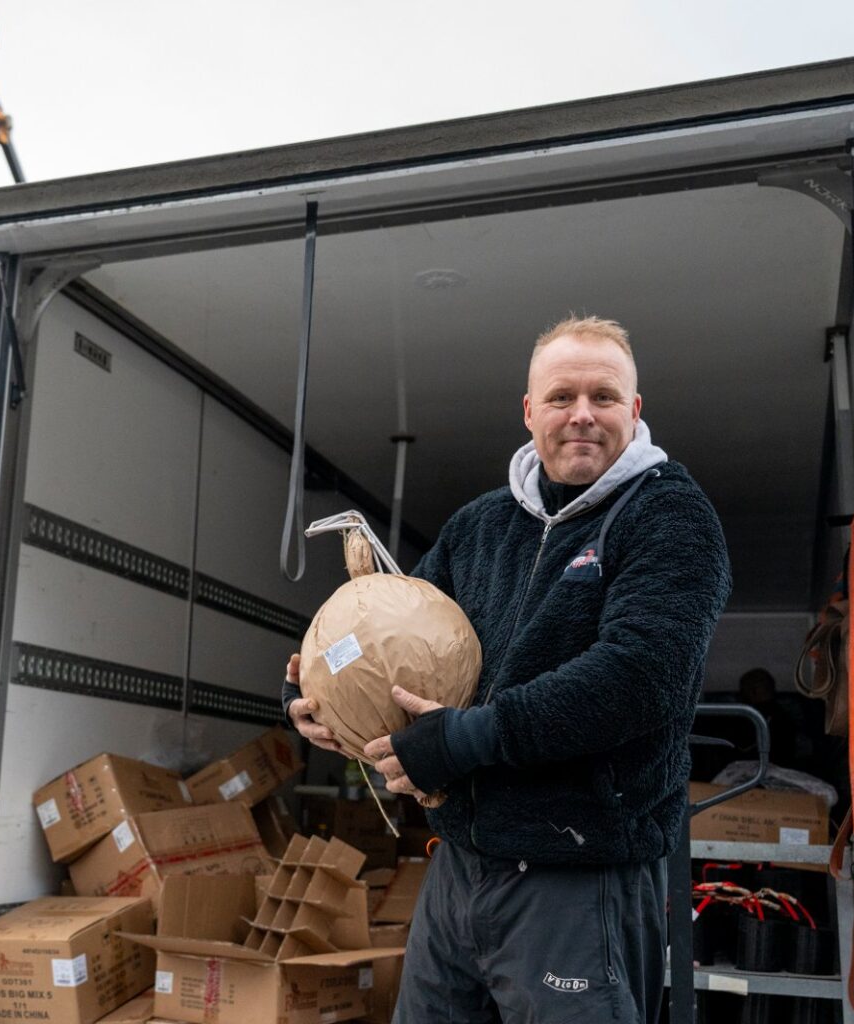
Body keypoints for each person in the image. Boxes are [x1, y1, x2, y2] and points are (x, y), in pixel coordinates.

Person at [283, 315, 731, 1023]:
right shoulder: (479, 527)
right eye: (561, 397)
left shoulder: (668, 515)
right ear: (529, 411)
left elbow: (640, 677)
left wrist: (466, 740)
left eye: (603, 397)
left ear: (634, 409)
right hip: (460, 869)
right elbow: (393, 636)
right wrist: (314, 693)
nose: (582, 414)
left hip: (579, 877)